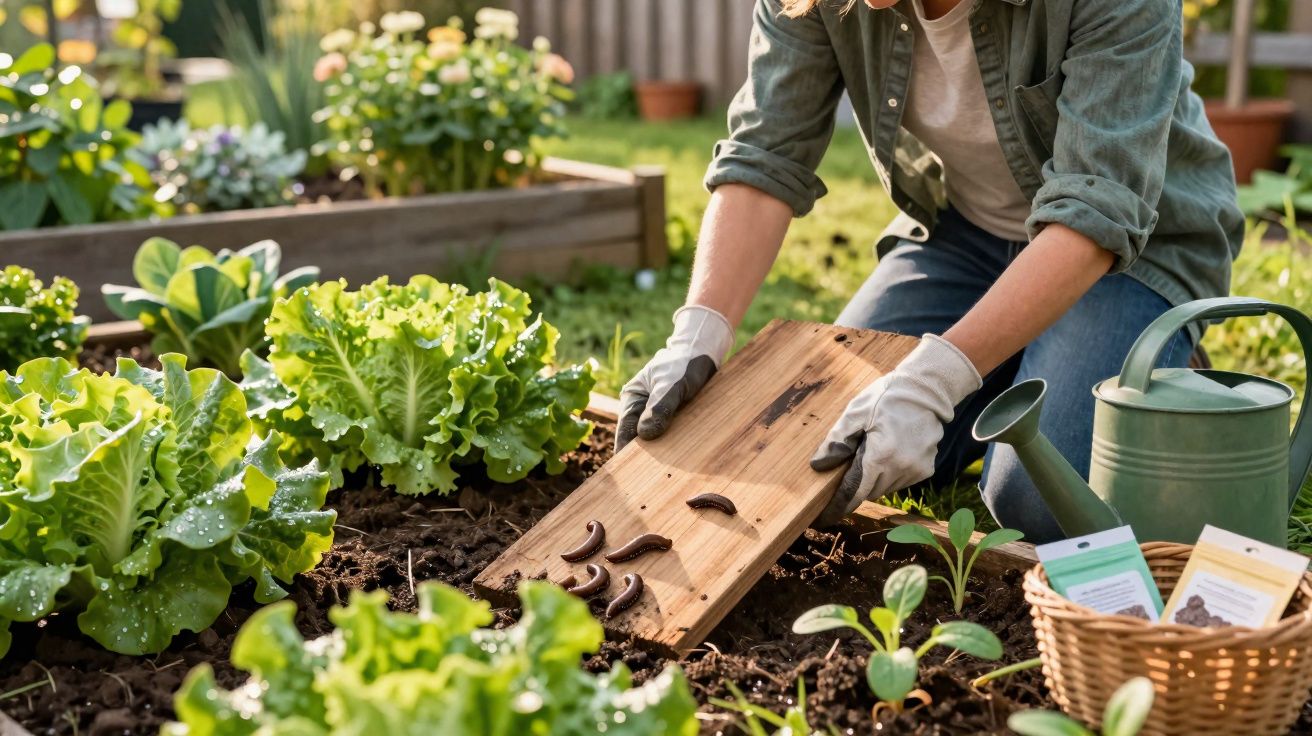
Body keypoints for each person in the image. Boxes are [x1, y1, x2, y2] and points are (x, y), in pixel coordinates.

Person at [615, 0, 1243, 543]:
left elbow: (1097, 211)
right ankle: (1016, 361)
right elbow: (763, 154)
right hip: (963, 238)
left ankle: (1137, 363)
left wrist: (936, 378)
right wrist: (699, 330)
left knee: (1036, 499)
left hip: (1130, 252)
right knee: (827, 445)